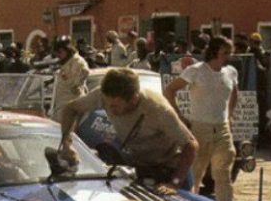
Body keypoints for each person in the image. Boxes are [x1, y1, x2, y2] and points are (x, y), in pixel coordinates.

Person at [60, 68, 198, 192]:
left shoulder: (158, 109)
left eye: (115, 106)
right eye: (108, 104)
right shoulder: (103, 95)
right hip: (141, 165)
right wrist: (67, 143)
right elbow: (70, 109)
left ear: (133, 99)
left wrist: (174, 183)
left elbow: (191, 144)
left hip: (172, 169)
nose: (110, 109)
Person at [164, 36, 238, 201]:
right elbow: (169, 90)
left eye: (230, 52)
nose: (229, 56)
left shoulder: (231, 72)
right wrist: (180, 117)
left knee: (223, 172)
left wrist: (230, 115)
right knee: (195, 173)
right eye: (225, 52)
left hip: (222, 128)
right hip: (199, 128)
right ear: (214, 51)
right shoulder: (195, 71)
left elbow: (234, 93)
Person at [50, 36, 90, 122]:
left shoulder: (77, 62)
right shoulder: (65, 63)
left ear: (68, 50)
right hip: (60, 105)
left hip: (71, 106)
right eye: (56, 52)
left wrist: (77, 85)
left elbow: (84, 72)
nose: (58, 55)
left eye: (60, 52)